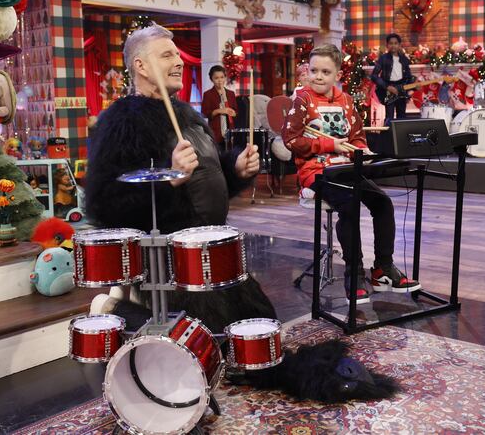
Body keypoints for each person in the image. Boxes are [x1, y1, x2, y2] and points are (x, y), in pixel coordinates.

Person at [84, 23, 274, 333]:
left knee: (260, 322)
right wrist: (169, 178)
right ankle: (118, 308)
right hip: (168, 259)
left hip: (214, 245)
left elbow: (205, 180)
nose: (179, 62)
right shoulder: (122, 122)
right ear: (141, 66)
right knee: (209, 336)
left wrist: (236, 170)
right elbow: (104, 203)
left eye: (178, 55)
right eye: (167, 55)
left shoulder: (188, 115)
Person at [282, 44, 419, 304]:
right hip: (317, 171)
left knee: (383, 203)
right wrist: (328, 145)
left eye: (325, 72)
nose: (318, 77)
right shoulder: (302, 100)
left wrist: (361, 149)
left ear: (337, 75)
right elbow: (290, 139)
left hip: (345, 168)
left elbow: (356, 136)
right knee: (350, 204)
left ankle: (382, 270)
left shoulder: (345, 100)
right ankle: (353, 275)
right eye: (313, 71)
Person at [370, 33, 414, 125]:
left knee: (402, 117)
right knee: (389, 117)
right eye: (391, 43)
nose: (393, 45)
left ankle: (401, 134)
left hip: (401, 90)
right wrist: (387, 87)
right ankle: (388, 134)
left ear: (399, 45)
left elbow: (408, 77)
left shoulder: (404, 60)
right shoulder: (383, 58)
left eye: (395, 43)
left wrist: (411, 89)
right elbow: (374, 76)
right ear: (387, 45)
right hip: (388, 90)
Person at [201, 65, 238, 149]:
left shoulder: (231, 94)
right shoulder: (208, 94)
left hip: (230, 131)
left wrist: (234, 113)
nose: (220, 80)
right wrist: (220, 111)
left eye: (222, 77)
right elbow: (205, 113)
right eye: (216, 78)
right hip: (215, 132)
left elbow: (236, 111)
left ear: (225, 77)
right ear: (211, 79)